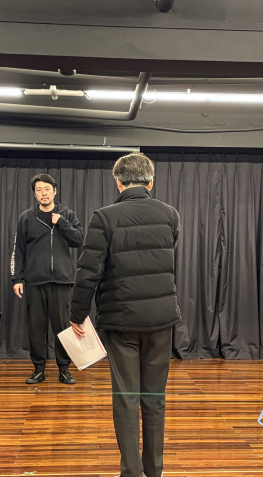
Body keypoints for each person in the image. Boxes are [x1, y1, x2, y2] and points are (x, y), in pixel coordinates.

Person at [69, 152, 181, 477]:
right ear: (150, 183)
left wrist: (77, 314)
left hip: (121, 321)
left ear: (118, 183)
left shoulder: (103, 217)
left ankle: (131, 472)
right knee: (154, 398)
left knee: (126, 396)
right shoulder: (170, 214)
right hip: (161, 320)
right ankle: (154, 470)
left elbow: (87, 272)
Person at [11, 173, 84, 385]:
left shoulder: (67, 214)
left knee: (63, 328)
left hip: (62, 282)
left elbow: (79, 240)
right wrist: (17, 278)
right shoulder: (26, 217)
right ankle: (38, 370)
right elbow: (18, 250)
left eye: (47, 189)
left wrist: (62, 223)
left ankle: (64, 370)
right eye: (39, 190)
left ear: (55, 191)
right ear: (35, 194)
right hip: (35, 282)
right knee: (36, 328)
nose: (43, 193)